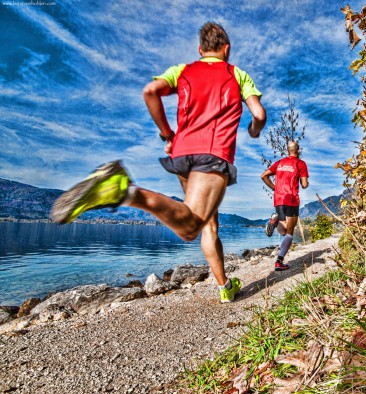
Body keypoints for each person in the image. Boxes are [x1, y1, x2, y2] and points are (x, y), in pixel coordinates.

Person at [51, 22, 266, 303]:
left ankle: (225, 287)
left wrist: (167, 133)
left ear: (200, 50)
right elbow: (259, 114)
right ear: (227, 49)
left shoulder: (184, 70)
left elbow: (151, 91)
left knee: (206, 222)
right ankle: (124, 191)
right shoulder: (236, 73)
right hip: (212, 154)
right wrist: (253, 130)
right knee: (191, 227)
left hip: (181, 153)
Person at [261, 141, 309, 271]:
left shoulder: (280, 163)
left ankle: (275, 222)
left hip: (279, 199)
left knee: (283, 230)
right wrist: (303, 180)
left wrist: (275, 188)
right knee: (289, 233)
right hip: (291, 199)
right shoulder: (301, 164)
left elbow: (263, 175)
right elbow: (304, 185)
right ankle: (279, 262)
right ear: (298, 150)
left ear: (288, 151)